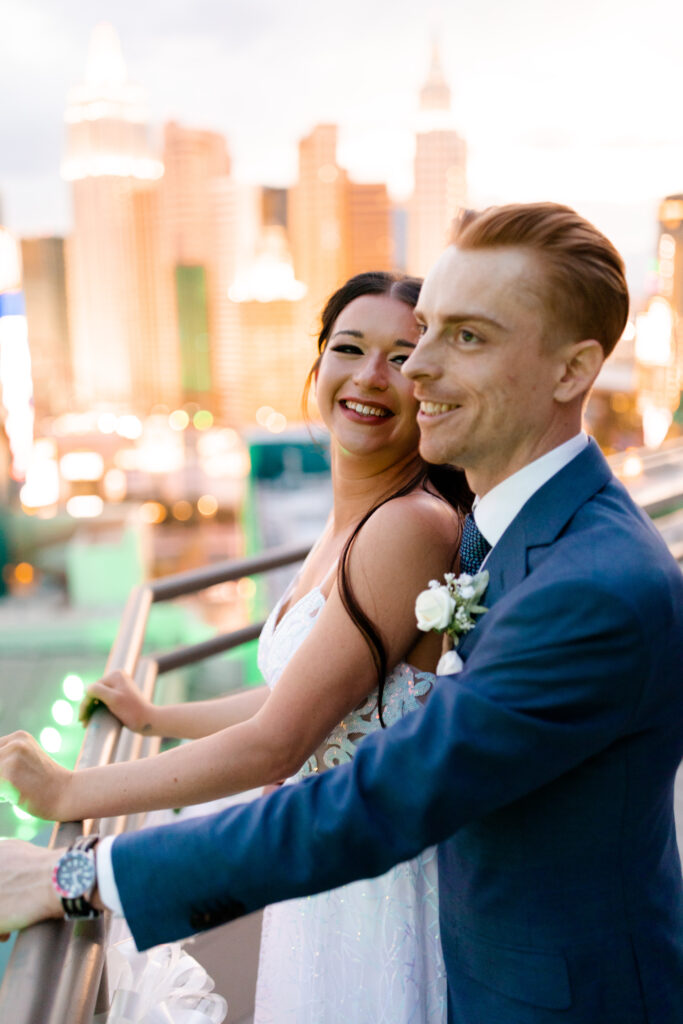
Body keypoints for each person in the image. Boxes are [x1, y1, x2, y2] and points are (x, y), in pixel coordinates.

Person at [2, 203, 682, 1024]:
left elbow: (376, 798)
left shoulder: (592, 587)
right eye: (422, 330)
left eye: (464, 337)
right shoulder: (508, 532)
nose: (415, 369)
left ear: (571, 372)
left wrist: (76, 878)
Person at [0, 271, 471, 1022]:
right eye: (349, 348)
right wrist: (158, 718)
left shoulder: (407, 526)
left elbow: (278, 745)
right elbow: (318, 695)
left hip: (373, 888)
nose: (370, 377)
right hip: (326, 880)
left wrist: (68, 793)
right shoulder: (354, 517)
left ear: (432, 385)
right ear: (317, 369)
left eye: (402, 358)